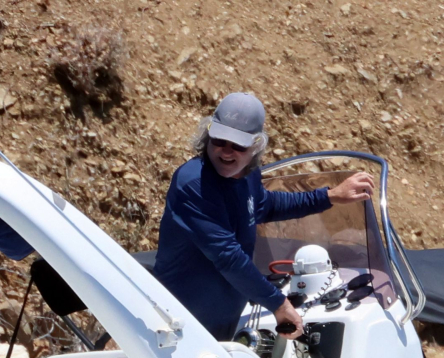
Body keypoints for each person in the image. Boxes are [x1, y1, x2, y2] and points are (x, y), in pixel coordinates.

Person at [153, 92, 374, 341]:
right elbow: (228, 257)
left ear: (256, 146)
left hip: (220, 324)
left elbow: (264, 205)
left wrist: (330, 196)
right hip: (178, 327)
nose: (226, 152)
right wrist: (278, 304)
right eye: (219, 141)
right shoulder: (193, 184)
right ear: (208, 136)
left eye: (238, 145)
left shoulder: (246, 174)